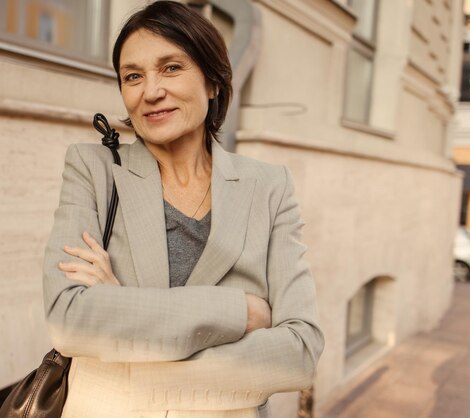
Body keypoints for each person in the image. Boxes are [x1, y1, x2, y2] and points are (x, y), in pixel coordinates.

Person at [42, 2, 324, 417]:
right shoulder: (94, 169)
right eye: (133, 76)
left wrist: (124, 313)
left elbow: (300, 351)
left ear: (212, 82)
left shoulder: (269, 186)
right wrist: (239, 312)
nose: (151, 91)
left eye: (171, 68)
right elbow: (69, 318)